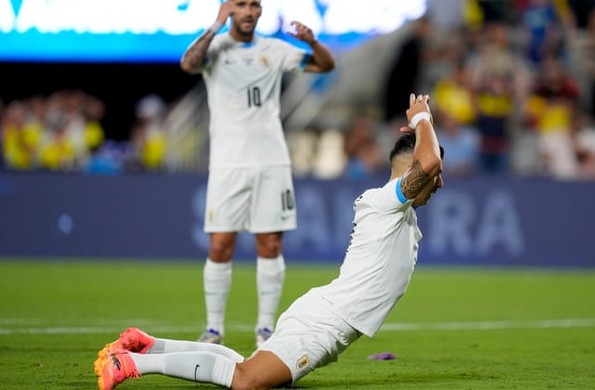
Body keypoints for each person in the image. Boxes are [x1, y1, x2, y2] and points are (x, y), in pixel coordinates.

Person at [93, 93, 444, 390]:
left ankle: (150, 346)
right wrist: (422, 119)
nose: (439, 182)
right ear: (412, 166)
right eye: (437, 176)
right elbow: (428, 161)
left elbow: (427, 162)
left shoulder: (401, 212)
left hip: (322, 315)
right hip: (324, 325)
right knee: (247, 380)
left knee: (248, 367)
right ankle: (132, 364)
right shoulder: (385, 202)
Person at [179, 0, 336, 347]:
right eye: (240, 5)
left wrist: (311, 41)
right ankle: (214, 329)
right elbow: (188, 64)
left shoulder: (274, 49)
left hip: (271, 161)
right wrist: (214, 26)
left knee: (270, 243)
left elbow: (327, 64)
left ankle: (265, 329)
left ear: (261, 10)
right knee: (220, 244)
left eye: (254, 5)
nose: (248, 11)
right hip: (227, 163)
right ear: (228, 9)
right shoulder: (215, 48)